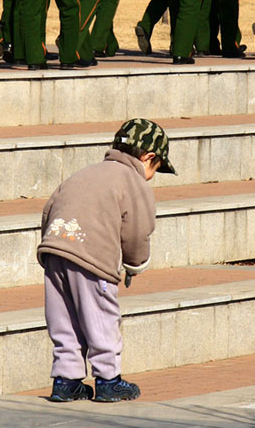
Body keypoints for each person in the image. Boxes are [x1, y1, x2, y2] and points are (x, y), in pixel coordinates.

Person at [37, 117, 177, 402]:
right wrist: (136, 263)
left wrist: (53, 247)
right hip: (93, 256)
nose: (152, 175)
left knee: (63, 317)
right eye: (156, 168)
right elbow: (138, 230)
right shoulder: (133, 181)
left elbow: (50, 208)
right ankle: (108, 379)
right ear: (149, 157)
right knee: (100, 315)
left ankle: (66, 380)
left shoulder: (85, 173)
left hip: (54, 247)